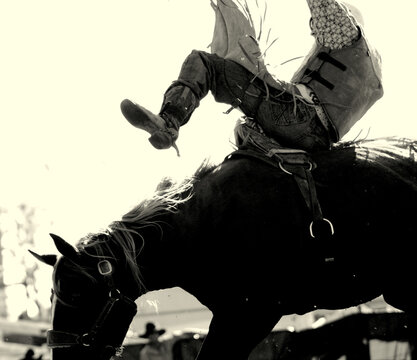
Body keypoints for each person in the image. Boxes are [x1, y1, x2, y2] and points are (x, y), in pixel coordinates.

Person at [121, 0, 383, 155]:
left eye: (316, 27)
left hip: (298, 118)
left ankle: (168, 122)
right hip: (318, 140)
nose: (314, 30)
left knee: (203, 63)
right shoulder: (368, 70)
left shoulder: (345, 31)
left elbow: (323, 6)